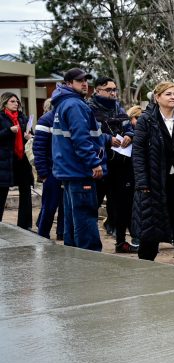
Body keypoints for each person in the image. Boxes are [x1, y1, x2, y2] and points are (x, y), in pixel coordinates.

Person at [131, 82, 174, 265]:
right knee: (152, 221)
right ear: (157, 97)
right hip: (154, 179)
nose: (173, 97)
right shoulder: (147, 120)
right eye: (168, 94)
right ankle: (145, 261)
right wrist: (142, 181)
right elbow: (139, 151)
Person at [51, 68, 107, 251]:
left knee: (72, 219)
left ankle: (73, 259)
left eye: (85, 80)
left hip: (69, 171)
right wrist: (94, 163)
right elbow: (81, 139)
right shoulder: (75, 105)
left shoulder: (63, 104)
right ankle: (90, 262)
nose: (84, 83)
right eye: (79, 80)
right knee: (85, 218)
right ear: (68, 84)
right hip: (80, 171)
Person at [88, 76, 138, 253]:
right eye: (109, 90)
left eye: (115, 89)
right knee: (93, 206)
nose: (113, 93)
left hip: (122, 163)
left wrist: (129, 136)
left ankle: (121, 241)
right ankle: (90, 245)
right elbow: (88, 135)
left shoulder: (118, 107)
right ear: (97, 90)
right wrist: (107, 139)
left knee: (123, 205)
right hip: (100, 163)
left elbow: (129, 128)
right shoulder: (89, 109)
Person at [0, 92, 34, 229]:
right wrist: (9, 130)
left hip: (22, 160)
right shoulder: (1, 117)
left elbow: (31, 134)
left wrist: (29, 136)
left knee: (26, 192)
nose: (16, 104)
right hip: (6, 161)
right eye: (12, 101)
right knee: (2, 193)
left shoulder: (23, 117)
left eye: (17, 102)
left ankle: (25, 226)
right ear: (5, 103)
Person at [33, 98, 65, 240]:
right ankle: (43, 235)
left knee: (64, 206)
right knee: (49, 207)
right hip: (52, 171)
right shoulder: (46, 120)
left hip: (67, 170)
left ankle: (61, 233)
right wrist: (43, 173)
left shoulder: (67, 117)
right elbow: (38, 149)